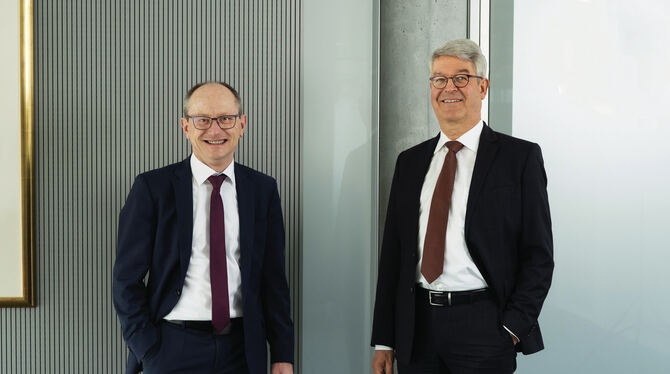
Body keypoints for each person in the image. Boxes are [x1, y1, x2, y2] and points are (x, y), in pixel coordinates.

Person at [371, 39, 554, 374]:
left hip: (484, 325)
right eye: (439, 79)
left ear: (482, 87)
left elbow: (538, 255)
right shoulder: (410, 162)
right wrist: (385, 340)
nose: (448, 88)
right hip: (417, 328)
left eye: (461, 78)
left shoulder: (519, 159)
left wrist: (512, 329)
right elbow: (394, 255)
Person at [113, 81, 294, 374]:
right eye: (203, 120)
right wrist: (146, 346)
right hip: (170, 348)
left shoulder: (262, 190)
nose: (215, 130)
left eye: (225, 118)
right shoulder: (152, 188)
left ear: (242, 124)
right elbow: (125, 279)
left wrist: (283, 354)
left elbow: (273, 280)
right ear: (186, 127)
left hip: (243, 350)